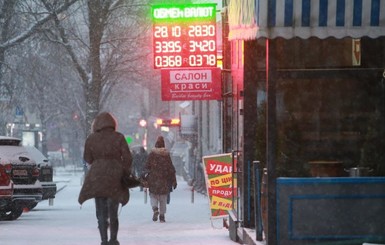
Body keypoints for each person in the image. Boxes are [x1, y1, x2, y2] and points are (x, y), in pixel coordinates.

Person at [78, 112, 132, 245]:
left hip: (97, 177)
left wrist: (99, 162)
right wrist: (123, 170)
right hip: (115, 176)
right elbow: (128, 157)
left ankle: (103, 240)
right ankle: (113, 240)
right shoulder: (119, 137)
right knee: (113, 211)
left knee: (101, 211)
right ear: (113, 124)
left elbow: (87, 158)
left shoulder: (92, 138)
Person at [142, 136, 177, 223]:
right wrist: (173, 180)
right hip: (164, 179)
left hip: (153, 179)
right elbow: (170, 168)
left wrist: (144, 177)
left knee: (153, 195)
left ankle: (155, 209)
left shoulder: (152, 155)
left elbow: (146, 166)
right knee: (163, 198)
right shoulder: (166, 155)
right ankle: (162, 216)